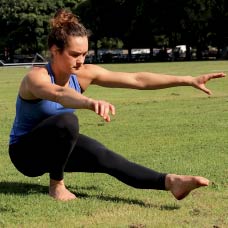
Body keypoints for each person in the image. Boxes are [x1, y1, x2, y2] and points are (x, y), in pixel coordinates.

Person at [8, 9, 225, 202]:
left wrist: (187, 80)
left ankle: (171, 182)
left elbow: (137, 79)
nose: (81, 61)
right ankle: (57, 186)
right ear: (55, 50)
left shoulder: (83, 74)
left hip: (56, 147)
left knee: (103, 156)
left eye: (84, 54)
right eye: (74, 55)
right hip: (26, 155)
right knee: (67, 121)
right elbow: (59, 93)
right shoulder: (36, 78)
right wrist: (89, 102)